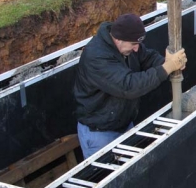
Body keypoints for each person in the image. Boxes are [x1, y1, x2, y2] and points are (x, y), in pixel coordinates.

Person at [74, 13, 187, 159]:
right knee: (105, 180)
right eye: (133, 44)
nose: (136, 49)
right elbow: (128, 86)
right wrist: (166, 68)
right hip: (100, 133)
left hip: (124, 125)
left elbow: (147, 57)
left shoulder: (129, 44)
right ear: (118, 39)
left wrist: (166, 62)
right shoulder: (96, 57)